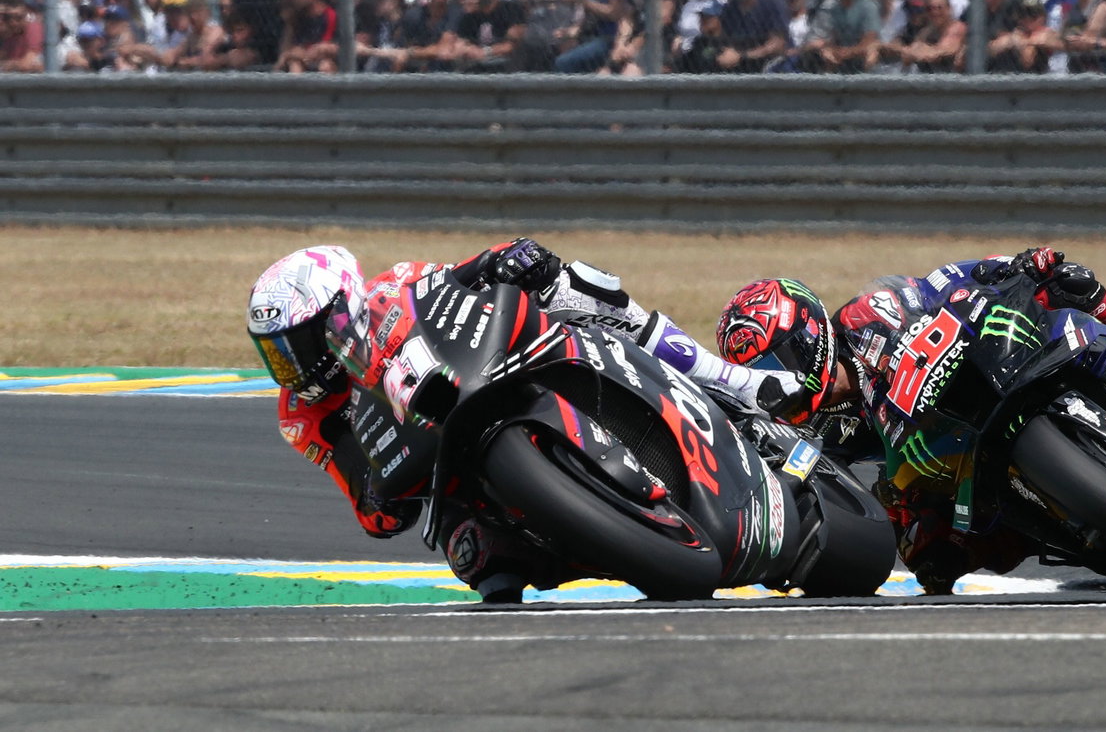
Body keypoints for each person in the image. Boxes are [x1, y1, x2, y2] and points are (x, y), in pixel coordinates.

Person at [247, 238, 804, 603]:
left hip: (494, 368)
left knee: (575, 285)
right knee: (479, 562)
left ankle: (726, 381)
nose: (291, 367)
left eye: (298, 345)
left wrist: (506, 258)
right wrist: (378, 498)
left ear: (343, 309)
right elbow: (369, 507)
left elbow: (461, 278)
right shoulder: (301, 414)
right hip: (449, 465)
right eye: (276, 353)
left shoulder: (393, 287)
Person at [713, 247, 1106, 593]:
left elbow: (939, 284)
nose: (773, 377)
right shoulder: (812, 432)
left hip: (992, 365)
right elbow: (817, 490)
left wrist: (1007, 268)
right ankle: (1072, 524)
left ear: (808, 333)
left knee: (1069, 283)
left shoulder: (866, 314)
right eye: (757, 370)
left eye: (775, 359)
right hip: (947, 457)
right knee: (929, 560)